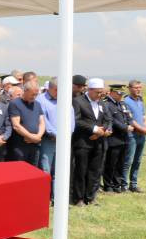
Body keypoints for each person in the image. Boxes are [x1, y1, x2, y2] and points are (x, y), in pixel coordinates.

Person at [71, 77, 111, 207]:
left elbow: (108, 119)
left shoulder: (102, 103)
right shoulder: (78, 102)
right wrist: (93, 129)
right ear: (90, 90)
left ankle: (90, 197)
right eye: (97, 92)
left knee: (95, 171)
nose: (100, 95)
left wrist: (104, 130)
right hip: (83, 142)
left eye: (101, 92)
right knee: (81, 171)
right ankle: (79, 198)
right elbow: (76, 120)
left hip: (99, 142)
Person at [35, 80, 71, 203]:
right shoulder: (41, 100)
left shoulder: (65, 99)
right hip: (48, 140)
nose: (59, 93)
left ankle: (58, 198)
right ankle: (45, 198)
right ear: (51, 88)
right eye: (57, 90)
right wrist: (56, 134)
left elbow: (71, 119)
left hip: (63, 142)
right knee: (46, 170)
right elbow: (44, 121)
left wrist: (67, 134)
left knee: (60, 170)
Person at [6, 80, 45, 165]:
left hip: (34, 145)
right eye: (32, 94)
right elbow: (16, 125)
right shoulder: (15, 103)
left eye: (36, 94)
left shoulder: (37, 104)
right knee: (20, 172)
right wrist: (31, 137)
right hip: (20, 146)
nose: (34, 97)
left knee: (33, 172)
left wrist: (38, 136)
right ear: (25, 91)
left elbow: (42, 122)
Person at [121, 80, 146, 193]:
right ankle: (124, 184)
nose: (138, 89)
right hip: (132, 135)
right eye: (136, 87)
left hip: (142, 135)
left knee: (137, 161)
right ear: (129, 88)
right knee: (128, 160)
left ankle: (133, 184)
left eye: (140, 87)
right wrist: (143, 129)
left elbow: (144, 116)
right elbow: (130, 120)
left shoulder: (140, 100)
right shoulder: (126, 101)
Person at [102, 85, 132, 193]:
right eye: (119, 94)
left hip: (124, 138)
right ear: (113, 93)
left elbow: (128, 117)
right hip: (113, 139)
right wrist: (125, 127)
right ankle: (108, 185)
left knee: (120, 163)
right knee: (111, 163)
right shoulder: (107, 104)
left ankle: (117, 184)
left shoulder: (122, 104)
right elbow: (112, 121)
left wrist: (129, 124)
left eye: (122, 94)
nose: (121, 96)